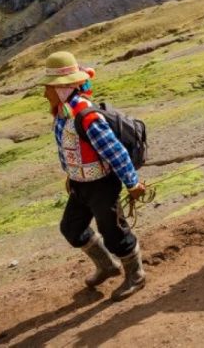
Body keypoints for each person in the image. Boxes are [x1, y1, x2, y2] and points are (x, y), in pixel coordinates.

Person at [41, 50, 147, 301]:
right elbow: (68, 149)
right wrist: (71, 175)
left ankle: (136, 274)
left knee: (113, 232)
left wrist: (132, 183)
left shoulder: (86, 116)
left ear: (64, 87)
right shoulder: (63, 112)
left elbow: (115, 151)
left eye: (50, 87)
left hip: (102, 185)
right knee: (71, 228)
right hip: (80, 184)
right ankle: (107, 266)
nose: (46, 92)